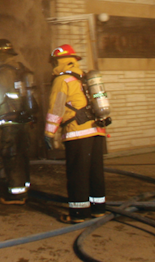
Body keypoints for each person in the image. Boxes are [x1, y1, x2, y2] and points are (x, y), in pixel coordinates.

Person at [43, 44, 108, 223]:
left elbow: (56, 109)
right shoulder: (83, 76)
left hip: (78, 133)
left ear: (56, 61)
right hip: (97, 131)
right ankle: (98, 209)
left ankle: (79, 214)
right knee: (95, 172)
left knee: (78, 174)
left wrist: (49, 133)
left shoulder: (61, 80)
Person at [0, 38, 37, 205]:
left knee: (11, 155)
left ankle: (16, 194)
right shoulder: (19, 67)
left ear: (0, 54)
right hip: (22, 119)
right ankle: (24, 186)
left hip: (9, 119)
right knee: (22, 154)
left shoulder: (4, 71)